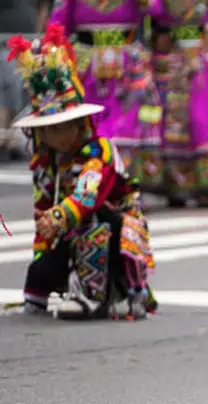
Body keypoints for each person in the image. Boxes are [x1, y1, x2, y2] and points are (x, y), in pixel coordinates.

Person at [4, 25, 156, 320]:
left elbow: (87, 198)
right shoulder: (46, 164)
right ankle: (40, 294)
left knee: (93, 222)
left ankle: (93, 294)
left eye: (63, 126)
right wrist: (44, 249)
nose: (56, 135)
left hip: (113, 234)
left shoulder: (99, 152)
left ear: (79, 125)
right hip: (69, 231)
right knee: (46, 260)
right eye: (48, 129)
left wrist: (57, 218)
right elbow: (44, 206)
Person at [47, 2, 162, 197]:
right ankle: (91, 187)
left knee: (129, 128)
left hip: (127, 68)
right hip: (87, 69)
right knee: (90, 127)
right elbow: (57, 27)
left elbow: (157, 10)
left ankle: (126, 187)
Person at [149, 4, 208, 209]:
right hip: (170, 67)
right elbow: (150, 12)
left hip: (200, 66)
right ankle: (176, 184)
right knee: (173, 124)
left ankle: (206, 184)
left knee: (202, 122)